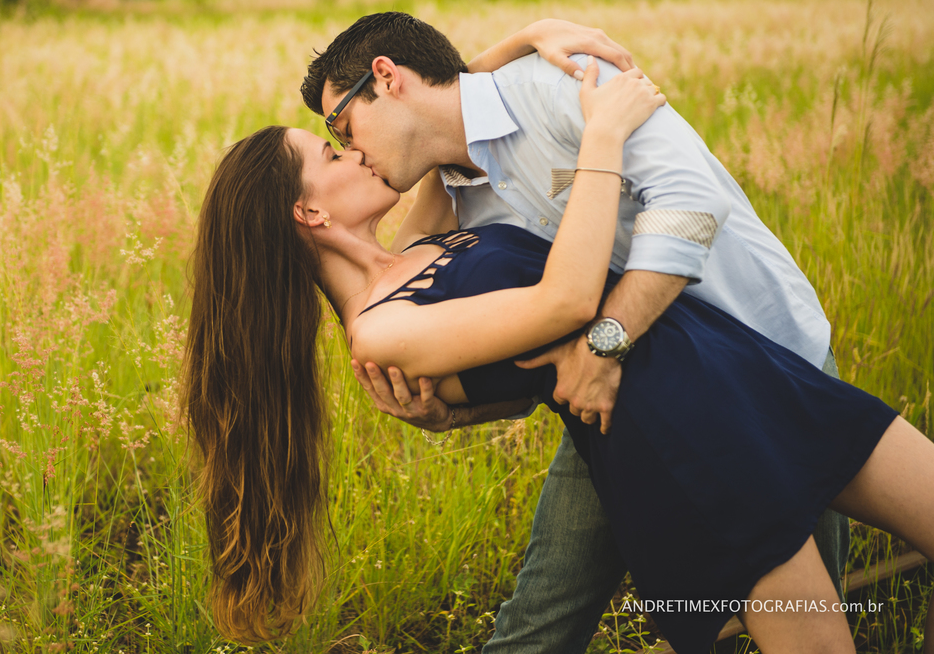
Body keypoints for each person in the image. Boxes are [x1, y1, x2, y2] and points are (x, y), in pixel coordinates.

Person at [181, 69, 934, 652]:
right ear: (309, 213)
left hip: (746, 369)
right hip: (690, 442)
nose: (353, 149)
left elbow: (431, 106)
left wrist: (532, 32)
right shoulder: (382, 330)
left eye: (343, 132)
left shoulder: (418, 245)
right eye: (330, 152)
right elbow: (569, 300)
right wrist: (602, 137)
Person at [298, 12, 852, 653]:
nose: (352, 152)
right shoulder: (450, 208)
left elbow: (693, 203)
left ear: (386, 78)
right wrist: (457, 412)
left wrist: (604, 343)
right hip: (616, 407)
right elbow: (524, 352)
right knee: (543, 614)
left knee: (809, 604)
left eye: (341, 128)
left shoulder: (566, 84)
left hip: (771, 358)